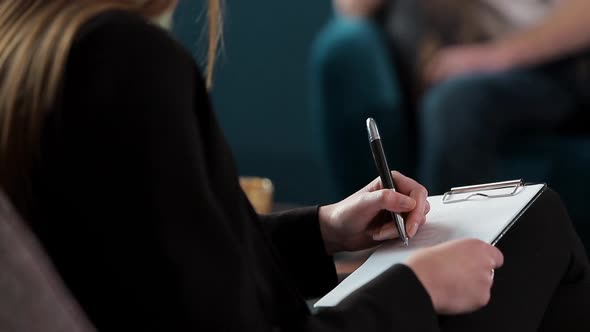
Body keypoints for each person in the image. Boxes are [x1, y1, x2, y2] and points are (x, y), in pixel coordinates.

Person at [0, 0, 588, 331]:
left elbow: (159, 259)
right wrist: (413, 287)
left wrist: (323, 229)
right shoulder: (125, 65)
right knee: (540, 226)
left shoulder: (29, 55)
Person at [334, 0, 590, 195]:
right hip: (458, 60)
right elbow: (352, 8)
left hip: (561, 62)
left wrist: (494, 57)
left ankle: (458, 253)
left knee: (454, 104)